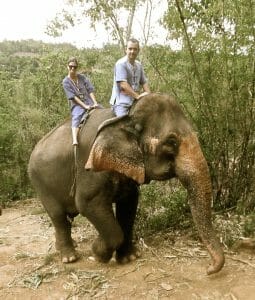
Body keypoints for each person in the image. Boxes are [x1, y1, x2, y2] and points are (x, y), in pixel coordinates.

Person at [110, 38, 151, 117]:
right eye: (130, 49)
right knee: (122, 122)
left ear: (138, 51)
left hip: (135, 100)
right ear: (126, 50)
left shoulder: (139, 65)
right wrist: (138, 97)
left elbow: (144, 82)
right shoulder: (121, 64)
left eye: (135, 49)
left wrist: (149, 95)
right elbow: (123, 85)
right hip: (121, 102)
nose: (132, 51)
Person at [62, 57, 99, 145]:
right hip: (77, 105)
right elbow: (73, 97)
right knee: (77, 116)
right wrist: (85, 106)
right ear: (67, 67)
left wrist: (95, 102)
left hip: (89, 101)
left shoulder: (82, 78)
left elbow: (90, 90)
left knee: (102, 110)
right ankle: (75, 139)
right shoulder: (65, 82)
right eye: (71, 66)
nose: (73, 68)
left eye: (75, 67)